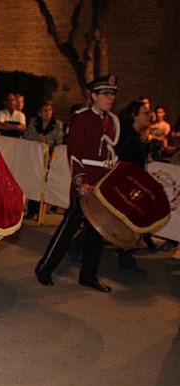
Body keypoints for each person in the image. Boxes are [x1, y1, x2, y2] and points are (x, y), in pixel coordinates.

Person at [35, 75, 120, 293]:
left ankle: (88, 276)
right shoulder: (81, 118)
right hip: (84, 182)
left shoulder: (111, 122)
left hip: (102, 185)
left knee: (96, 232)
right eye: (106, 94)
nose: (111, 98)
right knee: (68, 228)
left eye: (113, 94)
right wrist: (81, 181)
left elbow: (110, 153)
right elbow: (74, 153)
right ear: (94, 96)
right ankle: (45, 268)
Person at [114, 100, 151, 272]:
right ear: (134, 116)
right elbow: (119, 156)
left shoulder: (136, 135)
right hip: (124, 185)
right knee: (124, 221)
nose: (148, 115)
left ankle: (126, 258)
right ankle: (126, 259)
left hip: (131, 185)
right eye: (145, 112)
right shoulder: (128, 134)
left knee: (121, 221)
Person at [23, 100, 63, 219]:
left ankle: (40, 210)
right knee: (33, 182)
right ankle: (31, 210)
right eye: (45, 110)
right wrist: (37, 138)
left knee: (44, 184)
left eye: (50, 110)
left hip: (49, 158)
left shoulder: (57, 124)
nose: (48, 113)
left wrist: (46, 141)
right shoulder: (34, 122)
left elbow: (59, 141)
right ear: (40, 113)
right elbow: (26, 135)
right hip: (34, 156)